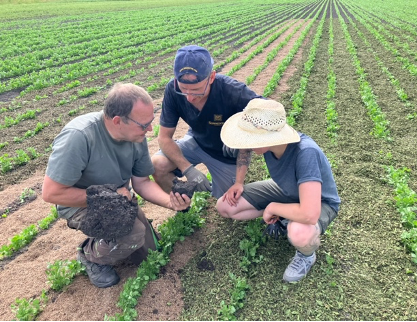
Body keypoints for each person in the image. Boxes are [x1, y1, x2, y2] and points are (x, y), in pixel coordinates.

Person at [42, 83, 191, 288]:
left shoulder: (135, 136)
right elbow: (51, 193)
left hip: (120, 199)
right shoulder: (79, 137)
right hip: (79, 205)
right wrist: (110, 195)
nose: (149, 129)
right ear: (118, 120)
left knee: (151, 252)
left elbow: (141, 183)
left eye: (150, 122)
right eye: (143, 124)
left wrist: (171, 203)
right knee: (133, 233)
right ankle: (89, 255)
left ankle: (117, 238)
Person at [216, 98, 341, 283]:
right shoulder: (267, 145)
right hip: (288, 190)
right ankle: (285, 216)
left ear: (268, 136)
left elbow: (310, 213)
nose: (247, 142)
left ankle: (307, 255)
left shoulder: (305, 152)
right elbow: (245, 148)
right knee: (225, 206)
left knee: (300, 232)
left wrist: (272, 207)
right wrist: (239, 182)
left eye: (251, 137)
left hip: (319, 202)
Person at [151, 45, 262, 199]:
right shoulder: (172, 88)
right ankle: (183, 206)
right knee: (157, 165)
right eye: (183, 88)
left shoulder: (232, 91)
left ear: (211, 77)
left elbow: (268, 111)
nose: (189, 97)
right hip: (196, 141)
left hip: (224, 154)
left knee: (231, 206)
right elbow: (164, 138)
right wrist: (188, 169)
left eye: (196, 90)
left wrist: (239, 136)